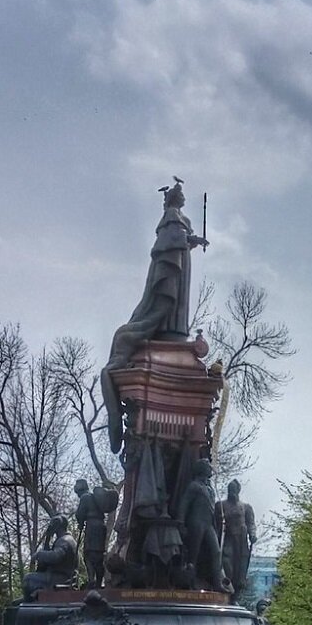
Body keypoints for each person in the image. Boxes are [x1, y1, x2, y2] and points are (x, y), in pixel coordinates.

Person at [101, 180, 209, 452]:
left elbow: (175, 241)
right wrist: (187, 240)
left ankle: (171, 330)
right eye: (180, 193)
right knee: (168, 304)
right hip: (172, 275)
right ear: (174, 198)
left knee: (174, 310)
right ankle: (168, 329)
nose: (183, 196)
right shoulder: (173, 217)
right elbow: (169, 242)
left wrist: (189, 241)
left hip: (179, 273)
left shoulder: (177, 219)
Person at [178, 459, 226, 592]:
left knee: (216, 552)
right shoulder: (194, 486)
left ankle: (218, 583)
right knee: (193, 554)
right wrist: (181, 523)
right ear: (202, 469)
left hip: (208, 524)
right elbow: (184, 505)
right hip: (196, 523)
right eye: (208, 467)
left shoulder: (209, 488)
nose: (211, 469)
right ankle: (190, 581)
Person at [214, 479, 256, 599]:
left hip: (241, 542)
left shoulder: (246, 507)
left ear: (238, 491)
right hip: (227, 539)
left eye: (233, 490)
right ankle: (226, 589)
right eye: (229, 490)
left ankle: (234, 597)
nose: (231, 492)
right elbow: (216, 524)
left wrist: (252, 534)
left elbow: (251, 523)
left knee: (239, 572)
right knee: (227, 565)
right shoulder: (220, 506)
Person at [74, 478, 119, 588]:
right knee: (98, 555)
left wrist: (80, 522)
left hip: (92, 527)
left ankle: (91, 580)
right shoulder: (94, 498)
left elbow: (79, 514)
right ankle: (98, 581)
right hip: (100, 527)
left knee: (88, 555)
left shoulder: (85, 497)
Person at [22, 515, 78, 599]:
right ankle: (36, 596)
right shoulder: (63, 539)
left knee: (28, 579)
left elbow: (56, 556)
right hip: (58, 576)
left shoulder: (65, 540)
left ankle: (33, 599)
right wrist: (47, 539)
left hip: (62, 578)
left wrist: (39, 554)